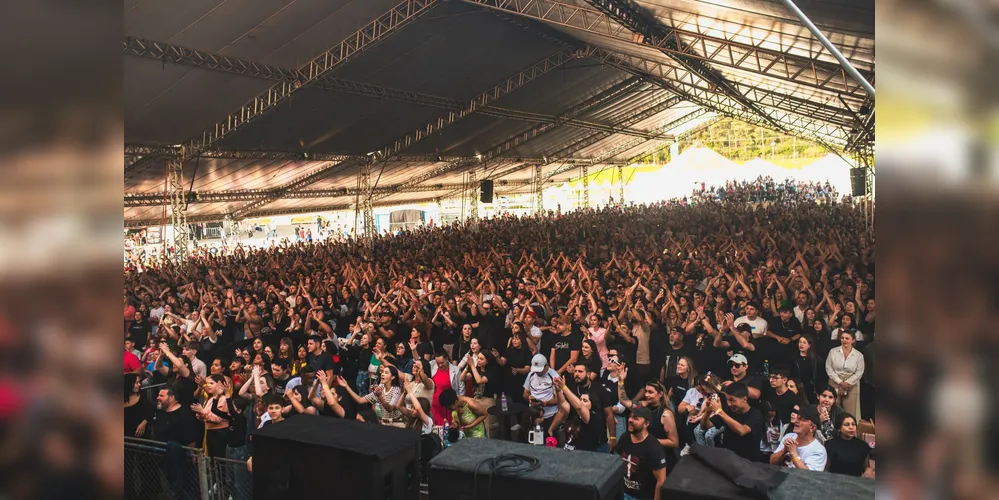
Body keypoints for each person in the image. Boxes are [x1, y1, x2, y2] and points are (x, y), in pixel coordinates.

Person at [702, 382, 765, 461]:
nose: (729, 404)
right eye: (727, 400)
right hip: (729, 458)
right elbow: (705, 426)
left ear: (744, 399)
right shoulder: (728, 412)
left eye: (732, 400)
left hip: (748, 462)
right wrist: (707, 413)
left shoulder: (755, 414)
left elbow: (742, 430)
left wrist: (719, 411)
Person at [616, 406, 667, 500]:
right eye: (630, 417)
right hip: (624, 492)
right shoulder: (624, 438)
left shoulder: (653, 447)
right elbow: (617, 462)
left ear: (646, 424)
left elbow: (661, 480)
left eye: (636, 418)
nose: (630, 420)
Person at [770, 404, 827, 471]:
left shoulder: (818, 450)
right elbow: (771, 462)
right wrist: (784, 450)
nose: (796, 421)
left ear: (812, 427)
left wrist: (794, 454)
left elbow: (809, 476)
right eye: (797, 418)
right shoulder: (789, 436)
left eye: (802, 419)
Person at [523, 353, 564, 438]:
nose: (537, 372)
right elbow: (525, 393)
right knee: (534, 441)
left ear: (546, 366)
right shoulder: (531, 374)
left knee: (549, 442)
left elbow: (559, 400)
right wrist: (530, 398)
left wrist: (543, 403)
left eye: (540, 370)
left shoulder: (554, 376)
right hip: (534, 415)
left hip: (549, 416)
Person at [825, 330, 864, 417]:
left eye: (847, 338)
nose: (844, 340)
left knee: (850, 412)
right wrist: (840, 382)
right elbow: (829, 368)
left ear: (853, 340)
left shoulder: (858, 355)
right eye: (842, 338)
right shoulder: (833, 352)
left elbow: (859, 372)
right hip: (834, 382)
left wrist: (847, 383)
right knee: (833, 410)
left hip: (851, 385)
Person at [823, 412, 873, 477]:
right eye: (847, 425)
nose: (851, 427)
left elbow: (866, 467)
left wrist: (868, 471)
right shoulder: (831, 444)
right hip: (835, 481)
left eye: (853, 424)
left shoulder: (862, 445)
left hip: (857, 482)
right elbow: (826, 469)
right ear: (839, 428)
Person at [124, 373, 152, 438]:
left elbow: (150, 411)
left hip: (140, 435)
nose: (139, 385)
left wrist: (143, 423)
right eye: (136, 382)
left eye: (139, 382)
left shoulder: (142, 395)